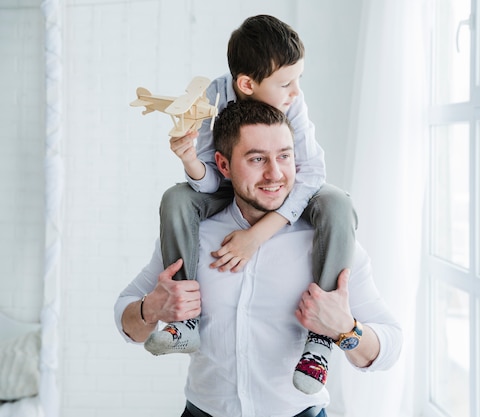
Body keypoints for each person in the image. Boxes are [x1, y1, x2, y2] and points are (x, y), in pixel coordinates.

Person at [114, 100, 402, 417]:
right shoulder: (196, 235)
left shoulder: (327, 241)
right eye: (256, 159)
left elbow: (390, 346)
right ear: (223, 166)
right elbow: (126, 315)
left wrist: (346, 330)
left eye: (284, 156)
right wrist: (150, 309)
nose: (274, 173)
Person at [147, 15, 358, 394]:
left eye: (297, 80)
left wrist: (258, 234)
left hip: (287, 194)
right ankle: (186, 322)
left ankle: (319, 341)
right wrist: (190, 160)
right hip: (232, 184)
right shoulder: (214, 96)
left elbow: (311, 174)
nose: (295, 91)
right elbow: (215, 175)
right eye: (286, 83)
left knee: (336, 203)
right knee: (177, 198)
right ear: (247, 84)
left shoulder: (292, 103)